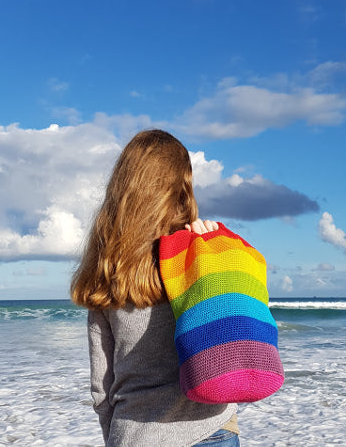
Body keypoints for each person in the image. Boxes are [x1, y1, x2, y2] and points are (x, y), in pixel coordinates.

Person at [71, 129, 240, 446]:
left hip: (136, 434)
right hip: (212, 428)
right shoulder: (199, 253)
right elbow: (236, 338)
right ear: (182, 188)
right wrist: (217, 250)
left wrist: (122, 437)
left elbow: (101, 387)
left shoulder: (106, 273)